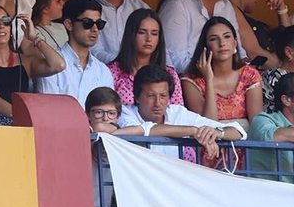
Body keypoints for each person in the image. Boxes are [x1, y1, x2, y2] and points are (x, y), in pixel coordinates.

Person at [115, 65, 246, 164]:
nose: (158, 103)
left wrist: (217, 133)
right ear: (137, 97)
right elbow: (146, 130)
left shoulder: (177, 112)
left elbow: (238, 131)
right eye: (150, 96)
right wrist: (192, 131)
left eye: (163, 96)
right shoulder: (124, 113)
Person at [181, 16, 263, 167]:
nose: (222, 43)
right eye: (214, 39)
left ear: (235, 44)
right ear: (205, 46)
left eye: (227, 37)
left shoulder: (250, 75)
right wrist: (209, 79)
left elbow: (256, 125)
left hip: (246, 154)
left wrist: (224, 128)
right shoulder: (191, 80)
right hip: (209, 154)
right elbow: (208, 124)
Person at [0, 4, 59, 125]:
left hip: (22, 129)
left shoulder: (25, 61)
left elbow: (58, 65)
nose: (1, 26)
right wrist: (27, 118)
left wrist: (34, 37)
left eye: (6, 21)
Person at [34, 0, 115, 108]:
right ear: (69, 24)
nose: (95, 29)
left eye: (99, 24)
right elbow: (49, 111)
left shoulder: (103, 71)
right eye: (87, 23)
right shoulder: (51, 67)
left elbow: (108, 114)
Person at [110, 9, 185, 111]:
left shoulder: (169, 73)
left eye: (154, 33)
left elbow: (178, 113)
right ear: (131, 35)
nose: (148, 38)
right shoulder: (113, 72)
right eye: (142, 32)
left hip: (165, 127)